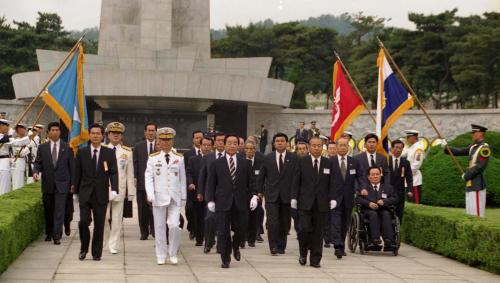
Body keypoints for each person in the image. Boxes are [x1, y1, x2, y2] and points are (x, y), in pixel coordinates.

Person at [206, 134, 258, 268]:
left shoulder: (245, 162)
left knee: (241, 230)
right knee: (223, 232)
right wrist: (210, 200)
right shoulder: (217, 163)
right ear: (224, 144)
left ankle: (236, 246)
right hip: (223, 203)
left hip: (240, 203)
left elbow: (252, 182)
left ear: (239, 146)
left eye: (235, 143)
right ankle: (225, 258)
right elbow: (211, 183)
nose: (232, 145)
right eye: (229, 143)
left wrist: (254, 196)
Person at [73, 123, 118, 261]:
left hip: (101, 194)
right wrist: (75, 190)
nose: (95, 136)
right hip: (85, 193)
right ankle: (84, 248)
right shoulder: (82, 152)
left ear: (102, 135)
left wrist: (114, 189)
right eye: (92, 133)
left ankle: (96, 252)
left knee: (99, 225)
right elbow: (77, 172)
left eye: (98, 133)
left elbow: (113, 172)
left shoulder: (109, 153)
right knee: (83, 222)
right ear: (89, 135)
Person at [291, 137, 336, 268]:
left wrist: (333, 198)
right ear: (309, 147)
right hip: (304, 202)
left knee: (318, 232)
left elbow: (332, 183)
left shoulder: (328, 163)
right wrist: (293, 197)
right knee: (304, 229)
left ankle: (316, 259)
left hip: (321, 203)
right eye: (314, 146)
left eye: (319, 146)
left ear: (323, 147)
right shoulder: (302, 162)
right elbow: (296, 181)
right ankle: (303, 253)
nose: (316, 148)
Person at [145, 127, 186, 265]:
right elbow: (148, 177)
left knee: (174, 225)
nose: (166, 142)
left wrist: (183, 196)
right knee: (159, 227)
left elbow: (182, 178)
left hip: (174, 197)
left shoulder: (179, 158)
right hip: (159, 196)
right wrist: (150, 194)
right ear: (159, 141)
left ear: (173, 141)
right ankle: (161, 254)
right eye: (163, 140)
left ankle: (173, 252)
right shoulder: (153, 158)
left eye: (169, 140)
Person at [256, 133, 298, 255]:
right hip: (271, 196)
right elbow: (261, 177)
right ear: (274, 143)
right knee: (272, 221)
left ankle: (281, 246)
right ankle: (273, 246)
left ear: (287, 143)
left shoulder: (294, 158)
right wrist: (259, 192)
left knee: (285, 222)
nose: (280, 143)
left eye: (282, 141)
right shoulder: (267, 158)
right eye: (277, 141)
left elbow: (297, 178)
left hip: (287, 196)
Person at [33, 122, 74, 245]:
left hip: (62, 184)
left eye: (57, 130)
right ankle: (49, 233)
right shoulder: (42, 148)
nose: (55, 132)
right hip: (48, 184)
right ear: (48, 132)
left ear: (60, 132)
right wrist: (36, 172)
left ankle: (57, 236)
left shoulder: (67, 148)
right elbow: (37, 163)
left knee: (59, 210)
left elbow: (72, 167)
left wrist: (73, 183)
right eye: (52, 130)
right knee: (48, 210)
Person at [330, 137, 367, 259]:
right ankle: (337, 245)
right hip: (334, 198)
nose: (342, 147)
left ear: (348, 147)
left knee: (344, 223)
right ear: (336, 147)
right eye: (340, 145)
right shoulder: (330, 162)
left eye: (345, 145)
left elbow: (361, 177)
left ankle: (341, 245)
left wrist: (362, 188)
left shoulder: (354, 162)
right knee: (336, 221)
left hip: (348, 197)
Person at [443, 124, 490, 217]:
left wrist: (466, 175)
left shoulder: (484, 148)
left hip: (477, 184)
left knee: (477, 215)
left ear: (480, 134)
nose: (472, 135)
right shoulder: (473, 146)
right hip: (470, 183)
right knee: (470, 213)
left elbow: (479, 167)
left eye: (474, 133)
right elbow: (460, 151)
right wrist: (446, 147)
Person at [104, 122, 135, 254]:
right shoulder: (103, 149)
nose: (116, 135)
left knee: (117, 219)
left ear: (121, 136)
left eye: (118, 133)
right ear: (108, 135)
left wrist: (131, 192)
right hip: (104, 188)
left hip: (120, 189)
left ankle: (113, 244)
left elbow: (130, 173)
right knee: (103, 217)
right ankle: (105, 241)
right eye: (113, 133)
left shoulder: (127, 152)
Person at [356, 167, 398, 250]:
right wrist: (369, 203)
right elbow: (358, 199)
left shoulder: (388, 187)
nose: (375, 176)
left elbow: (395, 198)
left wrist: (385, 201)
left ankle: (389, 240)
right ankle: (374, 240)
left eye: (377, 174)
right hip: (368, 211)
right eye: (373, 174)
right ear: (369, 177)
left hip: (383, 209)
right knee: (373, 214)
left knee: (386, 214)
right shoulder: (364, 188)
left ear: (380, 176)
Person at [197, 132, 225, 253]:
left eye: (223, 141)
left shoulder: (233, 157)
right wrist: (200, 192)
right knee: (209, 218)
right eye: (218, 140)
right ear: (214, 143)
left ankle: (221, 244)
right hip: (211, 194)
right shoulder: (208, 157)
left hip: (226, 195)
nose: (220, 142)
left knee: (223, 221)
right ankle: (208, 242)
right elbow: (202, 176)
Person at [186, 136, 213, 246]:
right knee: (198, 216)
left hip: (211, 193)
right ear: (200, 146)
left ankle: (209, 238)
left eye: (208, 145)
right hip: (197, 192)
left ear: (212, 146)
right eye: (204, 145)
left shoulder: (215, 159)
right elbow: (189, 173)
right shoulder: (193, 159)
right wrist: (190, 183)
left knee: (209, 217)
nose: (206, 147)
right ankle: (199, 238)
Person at [133, 122, 157, 240]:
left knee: (155, 208)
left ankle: (154, 230)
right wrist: (135, 177)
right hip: (142, 183)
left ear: (156, 132)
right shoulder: (138, 146)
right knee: (142, 209)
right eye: (149, 130)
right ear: (145, 132)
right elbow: (135, 163)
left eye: (153, 130)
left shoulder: (160, 145)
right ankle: (144, 231)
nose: (151, 132)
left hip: (157, 184)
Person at [242, 140, 263, 248]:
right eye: (247, 149)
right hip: (243, 193)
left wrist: (260, 192)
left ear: (255, 150)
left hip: (257, 193)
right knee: (244, 216)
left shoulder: (260, 162)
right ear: (244, 150)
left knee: (255, 216)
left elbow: (263, 178)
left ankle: (252, 238)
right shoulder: (241, 161)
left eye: (251, 149)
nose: (249, 151)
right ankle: (243, 236)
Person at [0, 119, 29, 195]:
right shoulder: (3, 137)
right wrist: (29, 137)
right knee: (4, 188)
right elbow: (17, 142)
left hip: (5, 163)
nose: (8, 128)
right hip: (3, 165)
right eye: (6, 126)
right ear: (1, 126)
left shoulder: (5, 137)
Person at [184, 130, 204, 240]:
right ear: (193, 139)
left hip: (203, 188)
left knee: (201, 211)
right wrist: (188, 183)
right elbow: (186, 171)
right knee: (190, 209)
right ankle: (191, 227)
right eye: (196, 138)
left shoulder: (208, 153)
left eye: (200, 137)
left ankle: (198, 231)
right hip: (191, 187)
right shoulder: (188, 154)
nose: (198, 140)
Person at [389, 140, 413, 223]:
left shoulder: (405, 163)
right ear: (392, 148)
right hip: (387, 193)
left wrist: (410, 190)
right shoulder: (385, 160)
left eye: (401, 148)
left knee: (399, 216)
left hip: (400, 193)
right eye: (396, 148)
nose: (398, 150)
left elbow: (409, 178)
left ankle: (397, 234)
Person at [402, 130, 425, 204]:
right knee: (408, 201)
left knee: (415, 202)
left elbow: (416, 164)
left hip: (414, 178)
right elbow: (402, 154)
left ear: (414, 137)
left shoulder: (418, 148)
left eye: (408, 137)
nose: (407, 139)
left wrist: (407, 172)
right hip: (408, 178)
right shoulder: (411, 147)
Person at [10, 124, 31, 190]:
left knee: (21, 183)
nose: (25, 130)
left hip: (22, 162)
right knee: (17, 183)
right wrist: (28, 147)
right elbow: (21, 153)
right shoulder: (16, 140)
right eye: (23, 128)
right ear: (18, 130)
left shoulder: (23, 140)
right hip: (17, 161)